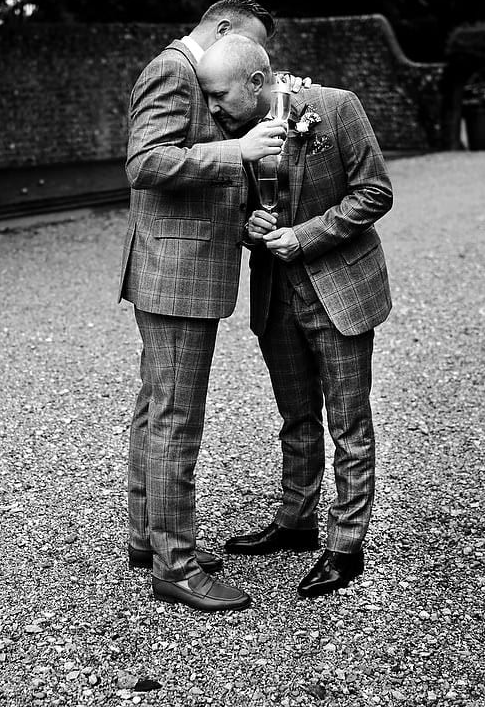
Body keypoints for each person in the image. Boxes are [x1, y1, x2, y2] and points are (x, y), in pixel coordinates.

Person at [196, 34, 393, 599]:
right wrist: (250, 229)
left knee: (348, 424)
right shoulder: (231, 136)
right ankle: (297, 521)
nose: (211, 108)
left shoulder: (334, 108)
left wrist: (303, 236)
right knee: (296, 417)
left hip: (339, 292)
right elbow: (233, 211)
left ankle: (346, 545)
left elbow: (375, 192)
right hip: (275, 298)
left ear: (256, 84)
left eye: (218, 95)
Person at [118, 0, 289, 613]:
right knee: (175, 420)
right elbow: (144, 162)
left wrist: (244, 215)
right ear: (222, 29)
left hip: (180, 269)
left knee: (157, 411)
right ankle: (176, 565)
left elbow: (187, 171)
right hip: (176, 275)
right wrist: (237, 153)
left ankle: (149, 539)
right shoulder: (174, 71)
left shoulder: (195, 75)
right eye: (248, 44)